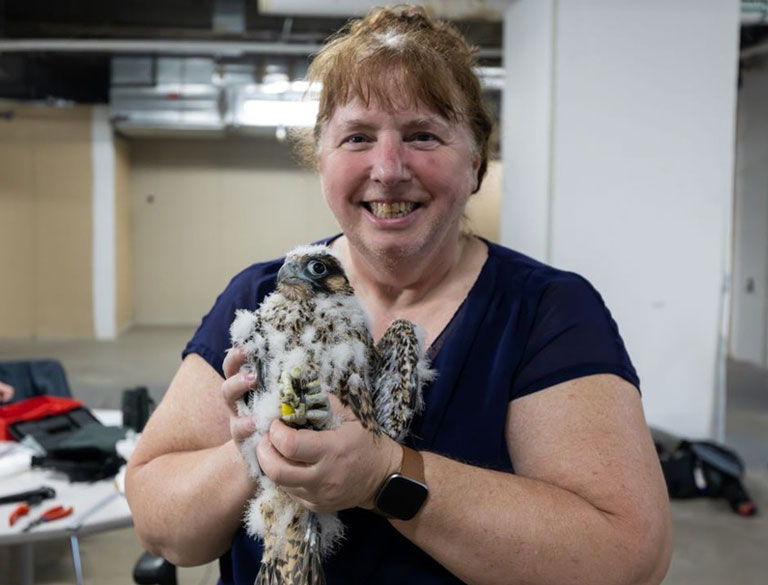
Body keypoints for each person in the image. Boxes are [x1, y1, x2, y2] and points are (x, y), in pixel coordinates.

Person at [125, 5, 672, 585]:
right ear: (323, 161)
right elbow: (161, 526)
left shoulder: (546, 311)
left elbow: (626, 560)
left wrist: (384, 476)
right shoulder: (261, 293)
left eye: (422, 136)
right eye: (357, 137)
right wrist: (261, 450)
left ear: (475, 163)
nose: (387, 169)